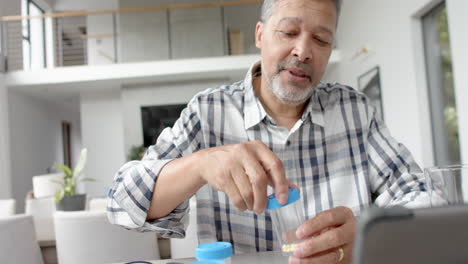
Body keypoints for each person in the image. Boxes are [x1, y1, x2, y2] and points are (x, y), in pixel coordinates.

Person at [108, 0, 429, 263]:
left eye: (321, 40)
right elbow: (122, 204)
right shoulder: (208, 112)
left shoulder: (353, 111)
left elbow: (424, 196)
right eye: (289, 31)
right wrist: (200, 164)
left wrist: (369, 234)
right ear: (260, 35)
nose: (303, 51)